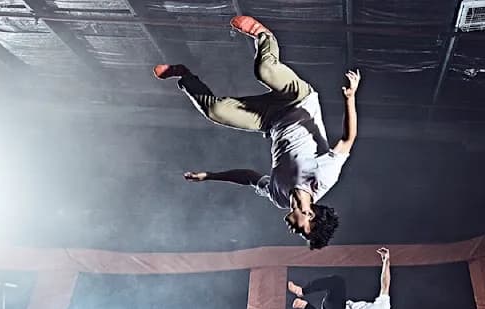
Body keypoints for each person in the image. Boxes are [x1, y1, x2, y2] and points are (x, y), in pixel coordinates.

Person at [152, 16, 361, 250]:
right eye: (302, 231)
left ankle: (183, 75)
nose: (294, 231)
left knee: (215, 110)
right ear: (310, 216)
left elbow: (249, 177)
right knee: (264, 70)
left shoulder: (279, 197)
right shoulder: (322, 179)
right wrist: (350, 98)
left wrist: (210, 176)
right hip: (299, 99)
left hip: (270, 119)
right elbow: (347, 139)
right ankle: (264, 36)